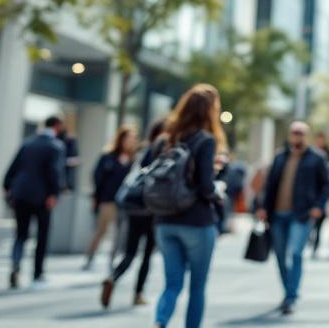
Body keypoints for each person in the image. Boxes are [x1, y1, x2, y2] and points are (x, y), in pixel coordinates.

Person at [152, 84, 227, 328]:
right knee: (197, 287)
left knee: (171, 284)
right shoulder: (206, 140)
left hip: (165, 221)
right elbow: (205, 187)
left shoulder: (165, 139)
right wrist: (219, 190)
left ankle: (159, 322)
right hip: (196, 221)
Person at [257, 121, 329, 315]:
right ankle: (288, 292)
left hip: (302, 214)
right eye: (294, 133)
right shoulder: (280, 157)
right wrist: (263, 208)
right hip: (277, 214)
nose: (297, 136)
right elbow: (270, 185)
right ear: (290, 135)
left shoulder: (317, 158)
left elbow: (327, 185)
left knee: (296, 253)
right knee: (280, 256)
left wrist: (318, 207)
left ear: (306, 135)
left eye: (300, 133)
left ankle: (291, 296)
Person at [102, 119, 165, 309]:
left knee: (130, 253)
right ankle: (138, 293)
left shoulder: (144, 151)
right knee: (146, 255)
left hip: (135, 208)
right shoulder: (164, 150)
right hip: (153, 209)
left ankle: (113, 277)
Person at [4, 115, 67, 290]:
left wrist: (7, 186)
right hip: (42, 197)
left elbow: (13, 168)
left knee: (20, 235)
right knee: (42, 235)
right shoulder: (55, 146)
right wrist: (54, 193)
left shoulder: (28, 143)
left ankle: (16, 266)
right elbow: (55, 171)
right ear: (57, 126)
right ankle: (38, 273)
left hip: (21, 194)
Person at [85, 125, 138, 271]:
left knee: (119, 234)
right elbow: (97, 176)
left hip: (124, 202)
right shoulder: (108, 156)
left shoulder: (134, 161)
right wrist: (96, 196)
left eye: (133, 139)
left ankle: (112, 262)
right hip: (107, 200)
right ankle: (90, 257)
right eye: (128, 138)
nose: (131, 142)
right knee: (101, 231)